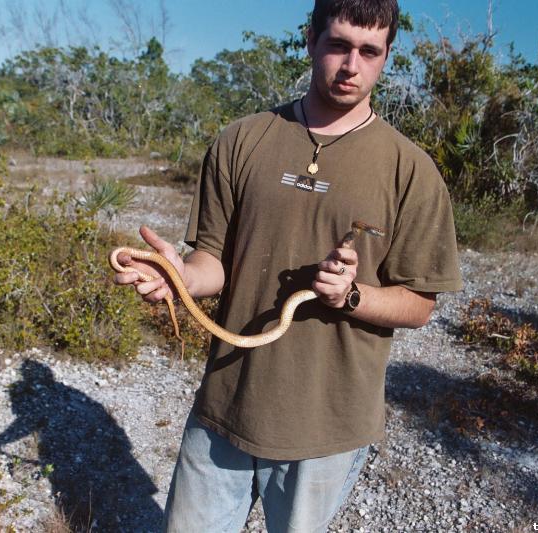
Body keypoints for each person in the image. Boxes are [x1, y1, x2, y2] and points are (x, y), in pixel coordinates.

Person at [113, 0, 463, 530]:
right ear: (311, 39)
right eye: (338, 45)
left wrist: (350, 294)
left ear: (387, 55)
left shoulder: (410, 170)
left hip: (327, 428)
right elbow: (213, 262)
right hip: (225, 406)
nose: (351, 66)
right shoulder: (242, 140)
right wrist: (180, 277)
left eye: (369, 51)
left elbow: (419, 305)